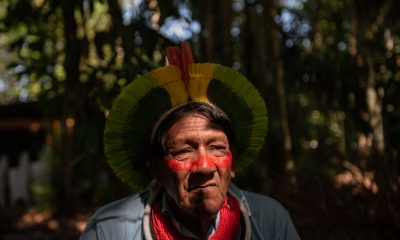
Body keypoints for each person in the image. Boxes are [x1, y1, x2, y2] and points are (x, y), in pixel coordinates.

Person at [80, 43, 300, 240]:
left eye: (217, 148)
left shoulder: (271, 221)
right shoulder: (109, 230)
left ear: (232, 160)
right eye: (184, 151)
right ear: (155, 167)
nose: (204, 166)